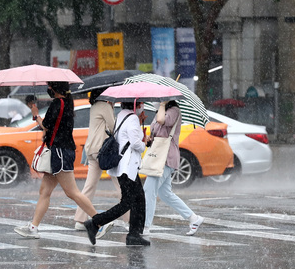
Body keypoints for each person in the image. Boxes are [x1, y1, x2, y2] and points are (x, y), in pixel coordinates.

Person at [14, 82, 98, 239]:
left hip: (59, 152)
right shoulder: (67, 103)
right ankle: (33, 227)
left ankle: (100, 222)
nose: (48, 90)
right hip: (62, 151)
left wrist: (35, 114)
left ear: (55, 89)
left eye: (50, 88)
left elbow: (45, 127)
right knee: (45, 191)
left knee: (72, 192)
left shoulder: (56, 104)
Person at [84, 101, 150, 246]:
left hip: (123, 167)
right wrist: (145, 144)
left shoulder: (122, 115)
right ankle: (95, 223)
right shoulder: (132, 118)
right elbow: (135, 143)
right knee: (128, 202)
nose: (142, 107)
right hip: (127, 167)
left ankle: (134, 234)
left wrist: (139, 123)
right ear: (136, 105)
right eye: (141, 104)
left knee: (138, 199)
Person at [143, 101, 204, 236]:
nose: (154, 101)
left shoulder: (174, 111)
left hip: (166, 158)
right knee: (165, 194)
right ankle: (193, 218)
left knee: (149, 191)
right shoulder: (160, 111)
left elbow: (161, 121)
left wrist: (162, 105)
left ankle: (145, 227)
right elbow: (156, 131)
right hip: (158, 157)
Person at [73, 89, 129, 234]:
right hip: (103, 151)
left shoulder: (95, 105)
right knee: (120, 184)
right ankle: (128, 220)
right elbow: (113, 127)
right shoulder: (104, 105)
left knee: (89, 186)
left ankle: (80, 219)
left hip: (92, 149)